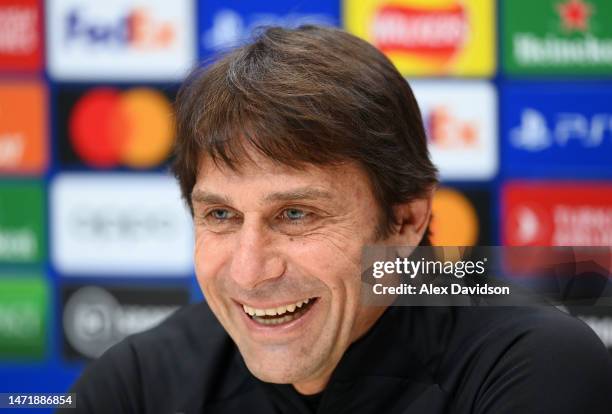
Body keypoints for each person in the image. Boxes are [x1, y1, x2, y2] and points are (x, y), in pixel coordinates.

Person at [61, 26, 612, 413]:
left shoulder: (530, 364)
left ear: (406, 220)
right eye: (222, 215)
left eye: (295, 214)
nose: (250, 272)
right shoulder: (134, 383)